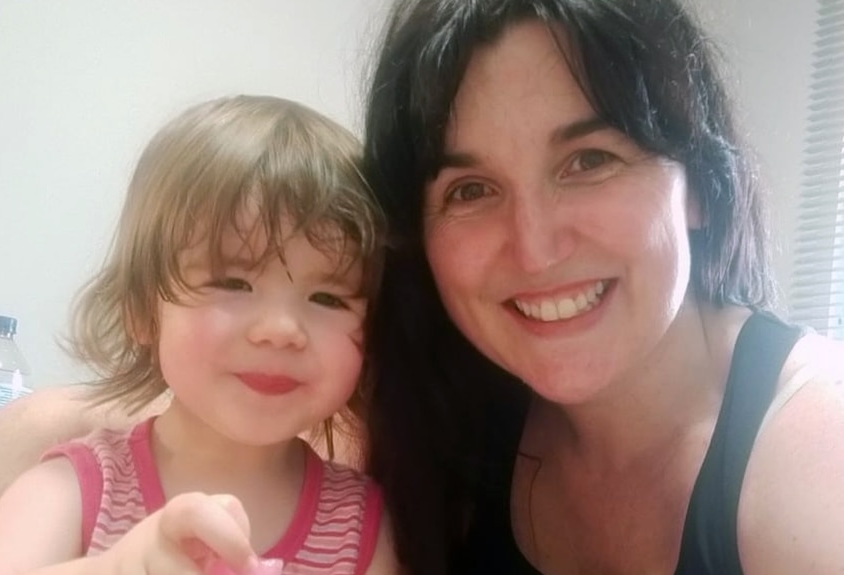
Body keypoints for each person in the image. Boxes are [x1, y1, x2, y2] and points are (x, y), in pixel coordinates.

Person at [361, 0, 844, 574]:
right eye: (470, 190)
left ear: (694, 184)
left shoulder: (818, 462)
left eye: (588, 161)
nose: (535, 251)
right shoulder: (451, 419)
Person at [0, 95, 398, 575]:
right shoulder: (72, 487)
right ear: (142, 307)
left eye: (329, 298)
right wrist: (120, 567)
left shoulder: (363, 526)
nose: (282, 330)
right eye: (233, 283)